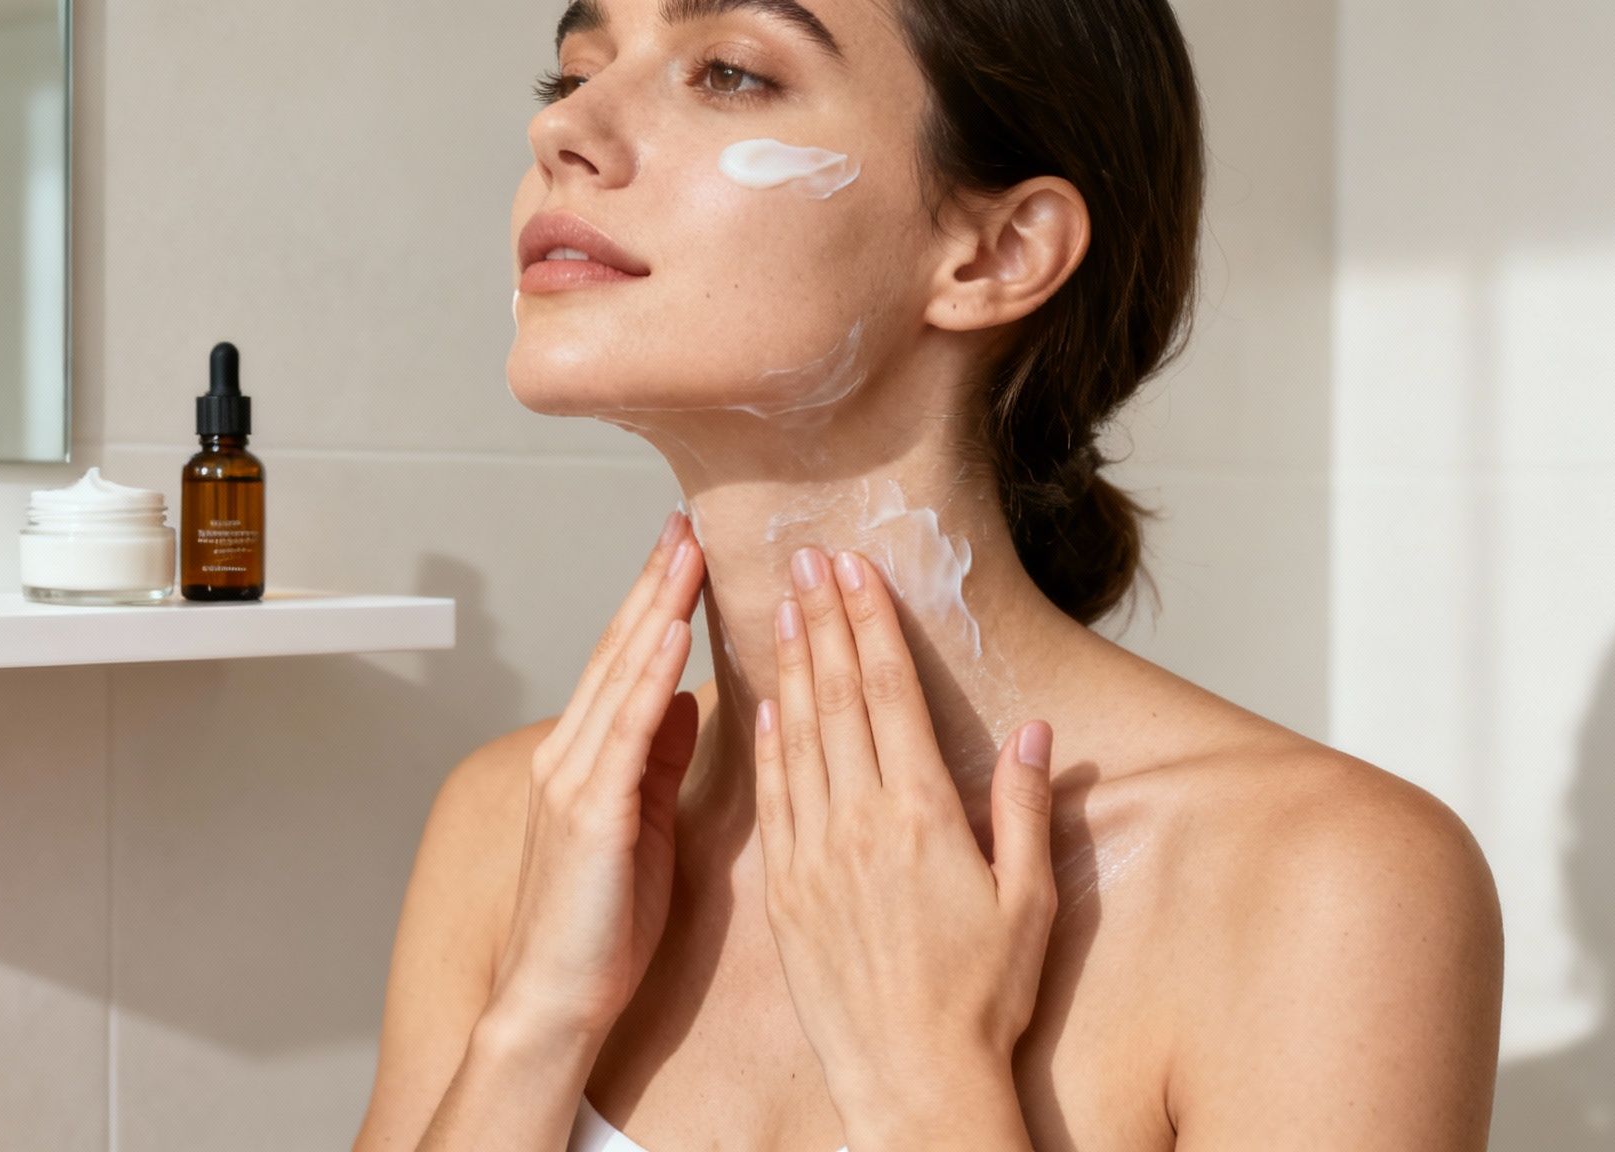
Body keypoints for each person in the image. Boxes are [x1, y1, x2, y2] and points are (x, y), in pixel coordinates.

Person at [356, 0, 1504, 1148]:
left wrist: (924, 1087)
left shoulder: (1323, 888)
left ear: (996, 253)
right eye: (571, 73)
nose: (565, 131)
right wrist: (536, 1024)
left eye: (729, 73)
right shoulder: (511, 824)